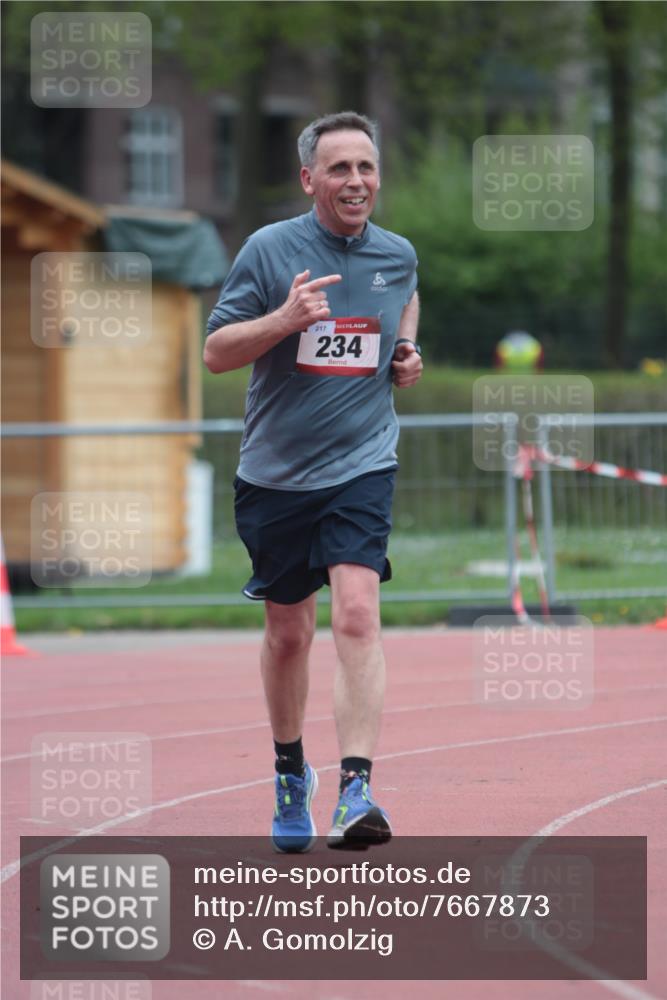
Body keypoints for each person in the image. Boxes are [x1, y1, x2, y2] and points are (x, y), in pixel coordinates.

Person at [204, 111, 422, 851]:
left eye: (365, 167)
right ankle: (290, 771)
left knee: (358, 612)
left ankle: (356, 788)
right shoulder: (271, 250)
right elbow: (216, 353)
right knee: (289, 632)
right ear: (308, 179)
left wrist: (407, 349)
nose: (355, 181)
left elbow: (403, 295)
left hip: (362, 463)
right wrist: (284, 318)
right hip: (275, 476)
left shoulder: (397, 254)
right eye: (339, 169)